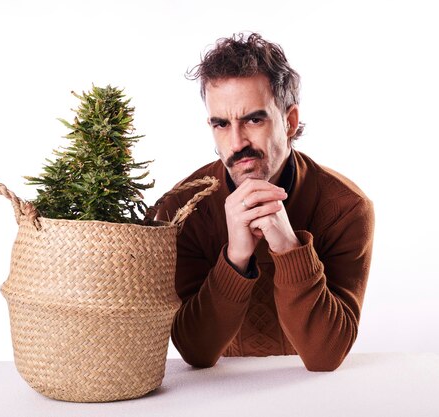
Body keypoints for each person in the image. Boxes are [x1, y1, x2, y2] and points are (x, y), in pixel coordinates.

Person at [156, 32, 375, 371]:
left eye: (253, 119)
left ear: (289, 121)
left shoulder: (345, 207)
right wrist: (235, 258)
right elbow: (195, 353)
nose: (237, 141)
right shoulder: (181, 210)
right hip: (215, 399)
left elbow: (326, 356)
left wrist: (290, 249)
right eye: (221, 124)